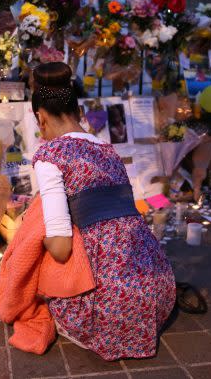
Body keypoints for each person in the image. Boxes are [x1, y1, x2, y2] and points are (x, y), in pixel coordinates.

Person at [31, 62, 175, 360]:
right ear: (78, 112)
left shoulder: (49, 156)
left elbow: (60, 248)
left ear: (40, 118)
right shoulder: (107, 150)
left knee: (36, 233)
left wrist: (30, 232)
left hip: (110, 308)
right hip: (155, 288)